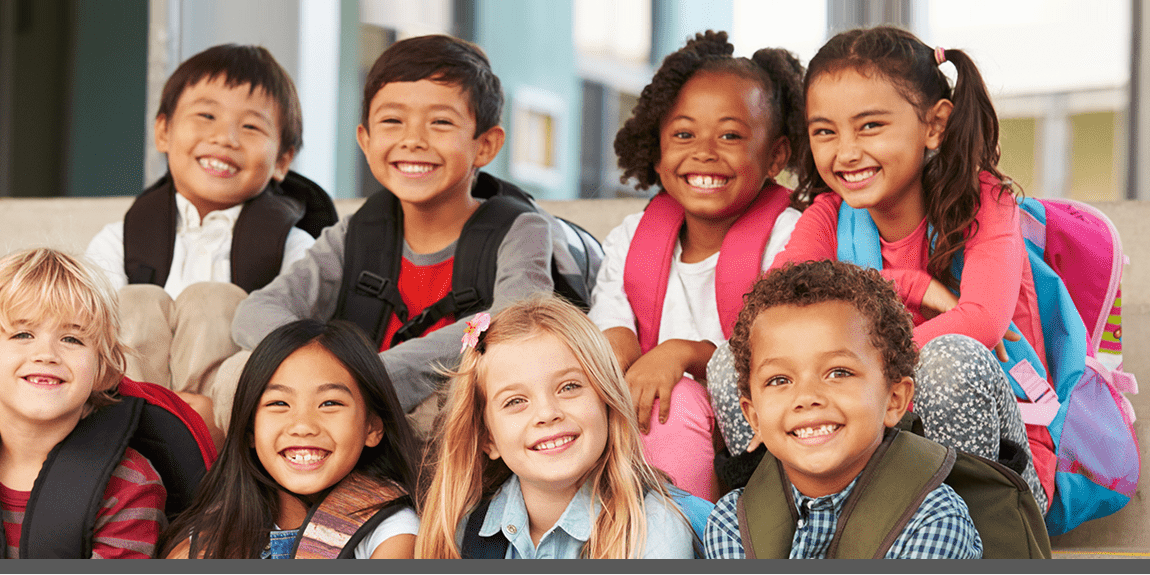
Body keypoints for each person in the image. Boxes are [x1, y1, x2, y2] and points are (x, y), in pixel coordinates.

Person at [776, 24, 1048, 509]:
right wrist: (910, 285)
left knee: (950, 359)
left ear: (935, 125)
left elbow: (980, 322)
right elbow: (777, 313)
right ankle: (804, 527)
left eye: (870, 126)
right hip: (872, 445)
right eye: (825, 132)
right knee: (739, 364)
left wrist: (842, 362)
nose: (846, 151)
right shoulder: (827, 216)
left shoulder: (986, 203)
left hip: (997, 475)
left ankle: (958, 539)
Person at [226, 35, 556, 430]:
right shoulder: (359, 234)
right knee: (239, 370)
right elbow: (256, 311)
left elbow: (512, 323)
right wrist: (336, 369)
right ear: (365, 140)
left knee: (462, 394)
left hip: (439, 425)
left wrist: (375, 375)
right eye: (392, 121)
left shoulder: (520, 229)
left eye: (440, 123)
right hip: (345, 412)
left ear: (485, 145)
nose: (413, 140)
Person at [587, 30, 805, 501]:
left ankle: (685, 537)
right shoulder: (631, 238)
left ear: (776, 155)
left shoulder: (790, 236)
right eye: (683, 134)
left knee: (678, 399)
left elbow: (785, 350)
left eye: (730, 135)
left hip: (755, 435)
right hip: (640, 426)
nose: (704, 151)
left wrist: (684, 353)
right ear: (658, 149)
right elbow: (611, 334)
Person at [83, 44, 333, 426]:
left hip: (227, 425)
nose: (225, 137)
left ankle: (199, 439)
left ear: (283, 160)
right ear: (163, 131)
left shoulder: (294, 247)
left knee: (215, 302)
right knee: (132, 301)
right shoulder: (119, 239)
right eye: (206, 115)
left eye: (251, 126)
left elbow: (302, 348)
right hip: (127, 414)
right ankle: (129, 442)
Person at [0, 248, 167, 559]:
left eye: (72, 339)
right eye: (23, 334)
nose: (46, 353)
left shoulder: (129, 486)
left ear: (103, 371)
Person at [703, 260, 983, 559]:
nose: (807, 397)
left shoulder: (934, 521)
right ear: (754, 417)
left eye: (838, 372)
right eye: (779, 379)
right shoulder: (731, 523)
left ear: (895, 399)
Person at [414, 296, 703, 559]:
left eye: (569, 387)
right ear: (488, 439)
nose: (547, 413)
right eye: (515, 401)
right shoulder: (465, 529)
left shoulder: (655, 527)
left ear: (608, 402)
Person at [158, 319, 421, 559]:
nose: (303, 426)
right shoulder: (214, 531)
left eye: (329, 403)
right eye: (279, 403)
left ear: (373, 427)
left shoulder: (393, 529)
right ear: (250, 430)